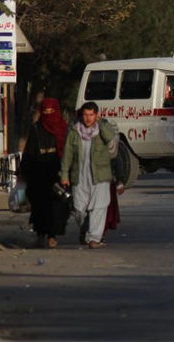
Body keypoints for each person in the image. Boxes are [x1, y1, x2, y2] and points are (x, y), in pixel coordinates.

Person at [60, 102, 117, 248]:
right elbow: (67, 154)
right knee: (79, 208)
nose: (88, 118)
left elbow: (110, 138)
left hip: (100, 175)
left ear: (96, 115)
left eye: (91, 115)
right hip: (79, 175)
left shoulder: (102, 129)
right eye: (85, 115)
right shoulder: (74, 131)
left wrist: (101, 124)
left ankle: (94, 239)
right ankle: (85, 227)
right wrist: (64, 174)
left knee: (99, 207)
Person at [19, 97, 70, 249]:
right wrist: (23, 172)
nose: (49, 115)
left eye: (51, 112)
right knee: (40, 207)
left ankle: (52, 235)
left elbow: (69, 152)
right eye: (45, 112)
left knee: (57, 207)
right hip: (38, 175)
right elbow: (29, 152)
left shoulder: (64, 129)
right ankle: (41, 234)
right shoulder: (36, 129)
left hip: (58, 174)